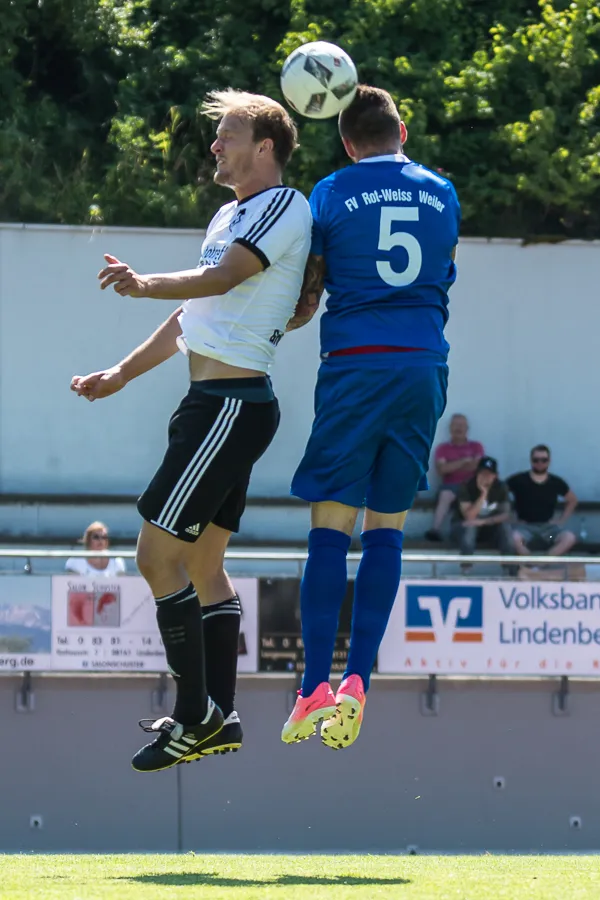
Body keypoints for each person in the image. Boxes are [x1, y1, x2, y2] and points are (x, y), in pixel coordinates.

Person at [71, 89, 311, 772]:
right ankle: (221, 716)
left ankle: (194, 714)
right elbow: (192, 317)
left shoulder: (284, 205)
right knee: (203, 566)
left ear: (265, 147)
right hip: (215, 405)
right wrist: (121, 372)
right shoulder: (229, 213)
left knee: (155, 557)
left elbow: (226, 277)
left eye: (227, 134)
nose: (215, 146)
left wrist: (145, 283)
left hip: (230, 407)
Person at [280, 85, 460, 749]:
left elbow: (309, 293)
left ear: (347, 143)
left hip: (355, 367)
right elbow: (444, 272)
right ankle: (358, 681)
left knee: (330, 528)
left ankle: (312, 688)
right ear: (401, 132)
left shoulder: (329, 192)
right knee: (387, 529)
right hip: (422, 368)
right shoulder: (443, 192)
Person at [507, 445, 578, 557]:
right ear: (531, 460)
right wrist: (510, 518)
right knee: (514, 539)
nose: (540, 463)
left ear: (549, 461)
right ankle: (530, 562)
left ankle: (544, 562)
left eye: (544, 460)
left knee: (569, 538)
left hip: (548, 531)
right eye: (536, 460)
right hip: (525, 530)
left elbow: (572, 500)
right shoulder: (518, 480)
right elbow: (499, 494)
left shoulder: (555, 482)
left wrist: (561, 520)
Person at [425, 413, 484, 541]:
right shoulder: (443, 448)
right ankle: (435, 530)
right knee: (445, 494)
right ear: (450, 428)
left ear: (467, 428)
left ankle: (479, 534)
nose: (458, 428)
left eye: (462, 425)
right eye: (456, 425)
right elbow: (442, 470)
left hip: (472, 486)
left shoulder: (476, 446)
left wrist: (452, 465)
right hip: (451, 487)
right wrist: (463, 461)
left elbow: (477, 467)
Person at [450, 457, 515, 560]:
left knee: (506, 529)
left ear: (495, 476)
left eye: (489, 474)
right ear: (476, 474)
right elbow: (469, 517)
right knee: (470, 529)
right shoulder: (466, 486)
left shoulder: (501, 487)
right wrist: (483, 494)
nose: (485, 477)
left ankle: (509, 567)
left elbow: (506, 515)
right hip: (463, 526)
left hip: (489, 526)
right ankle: (466, 567)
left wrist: (483, 522)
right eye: (482, 474)